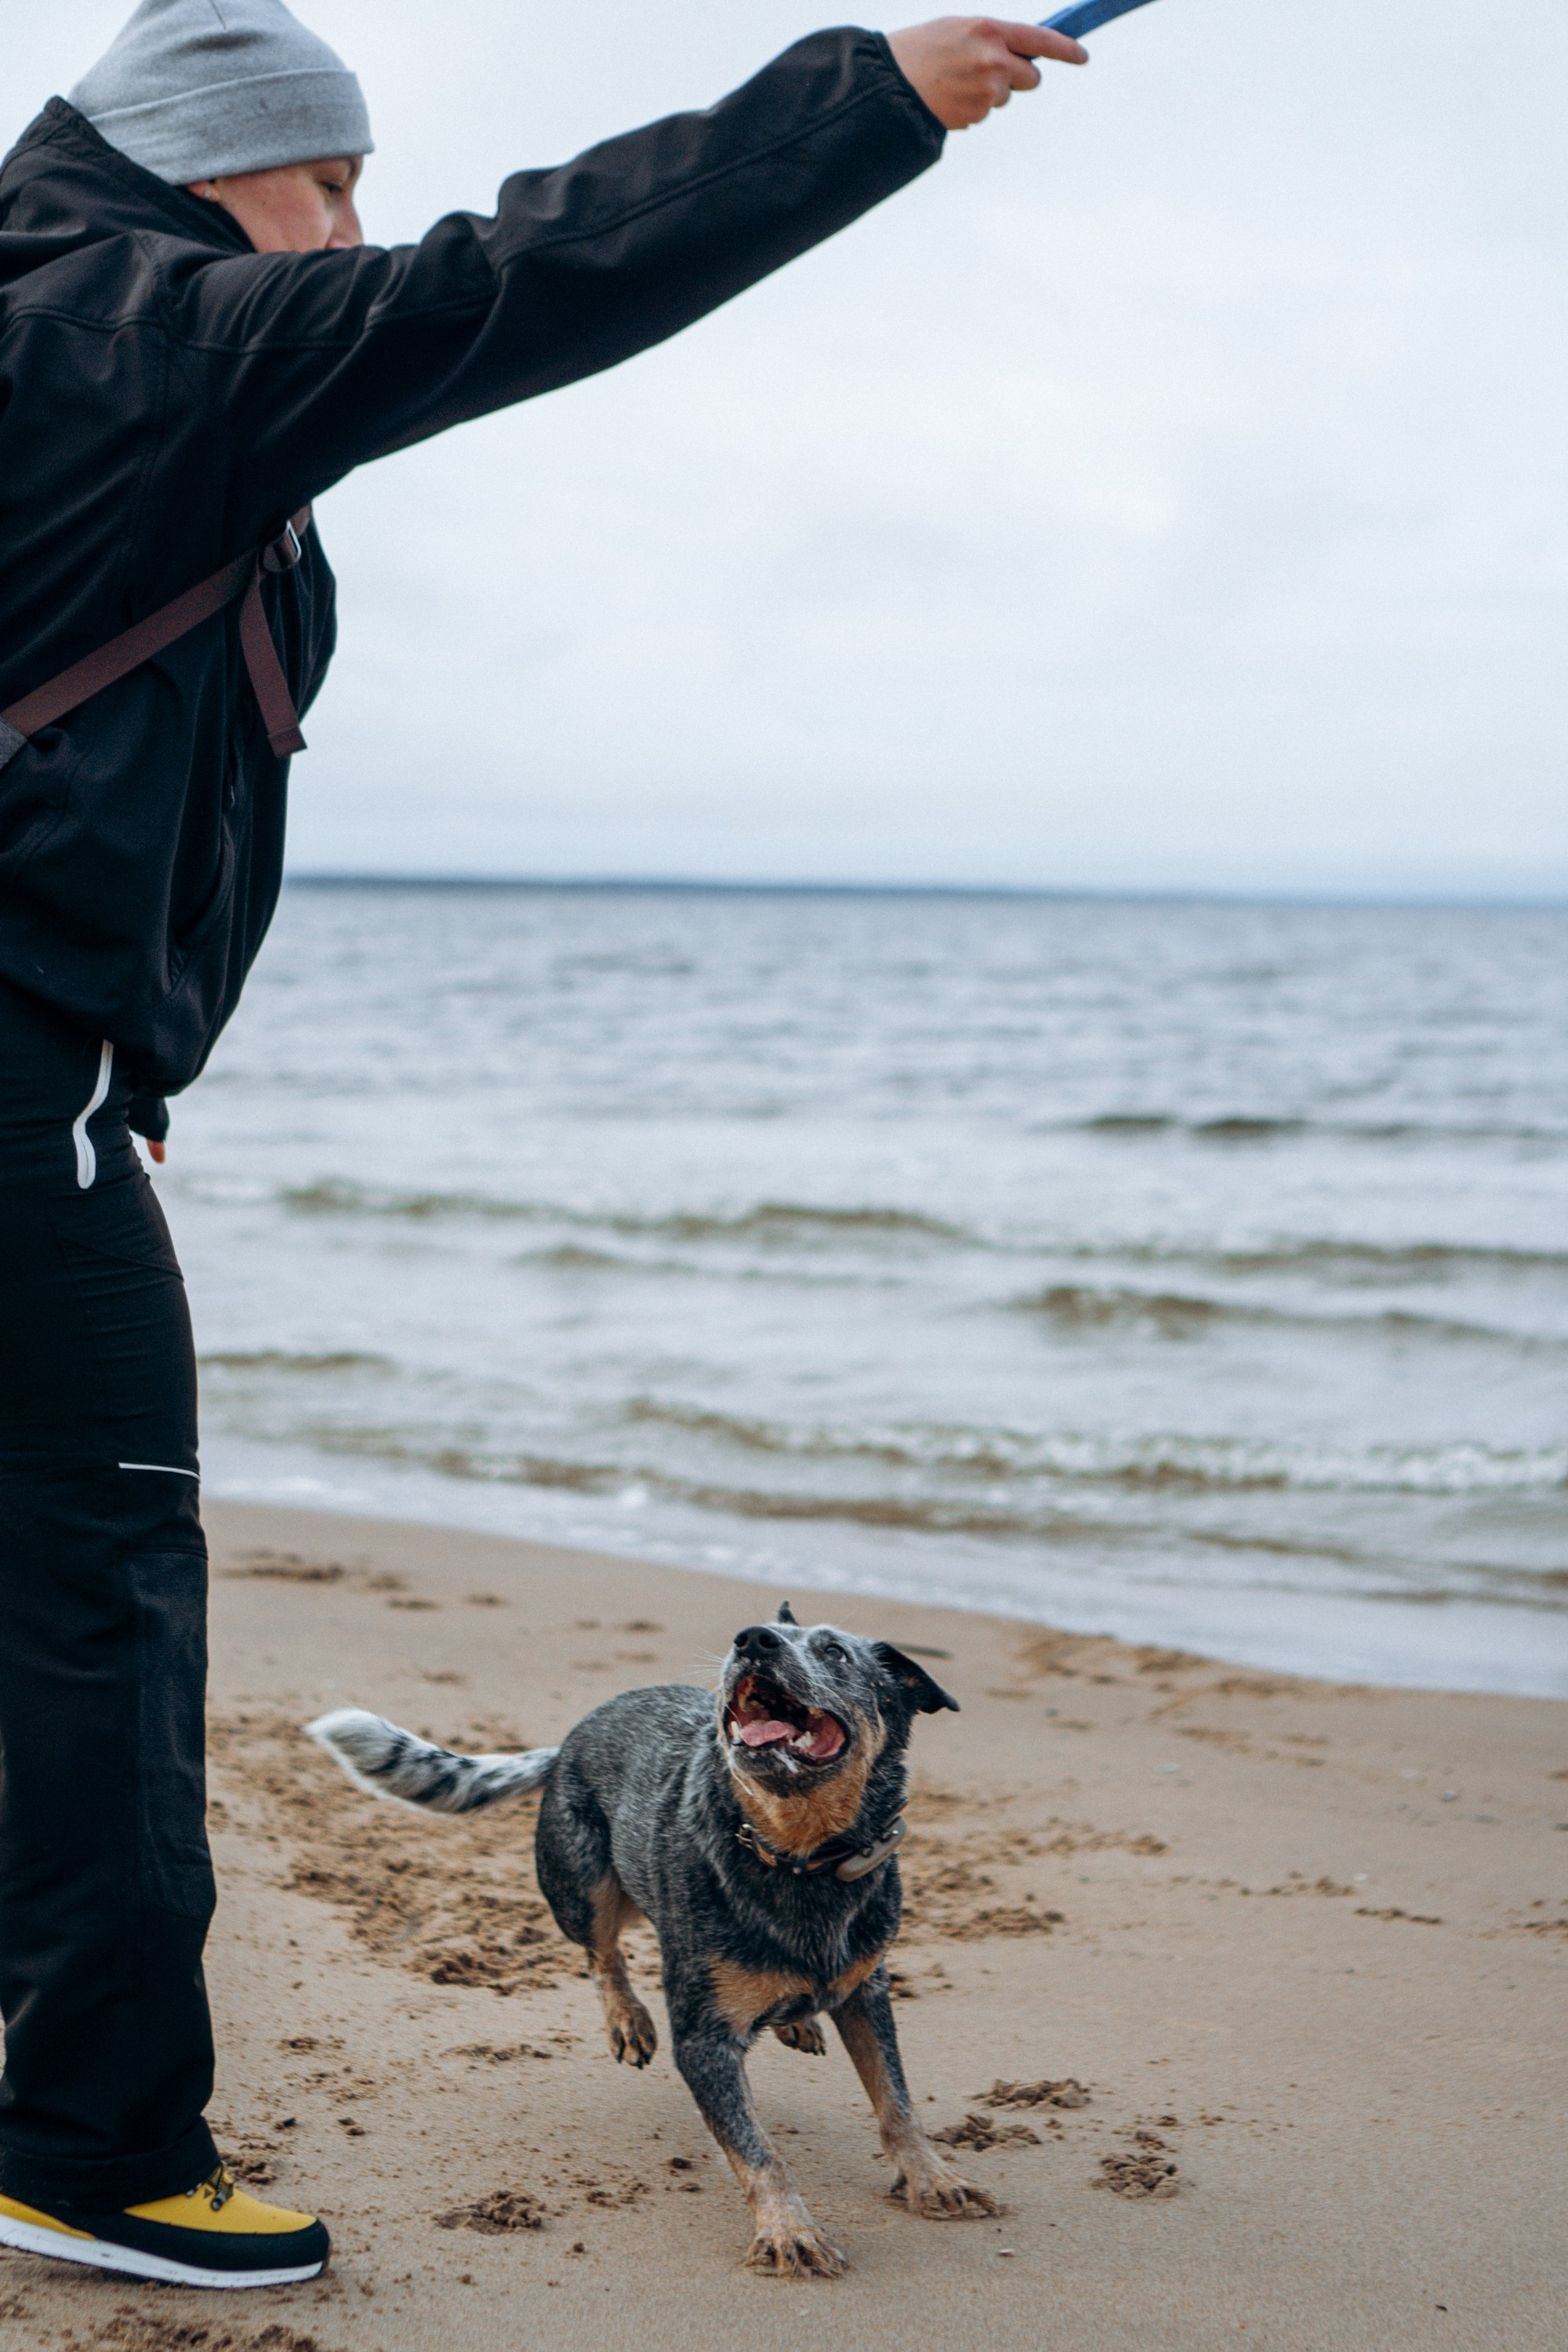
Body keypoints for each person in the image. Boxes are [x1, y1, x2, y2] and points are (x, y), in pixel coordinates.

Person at [0, 0, 1086, 2292]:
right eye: (329, 185)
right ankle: (89, 2147)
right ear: (224, 174)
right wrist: (873, 96)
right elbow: (531, 274)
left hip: (61, 1074)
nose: (353, 229)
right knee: (91, 1609)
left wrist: (130, 1062)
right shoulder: (157, 332)